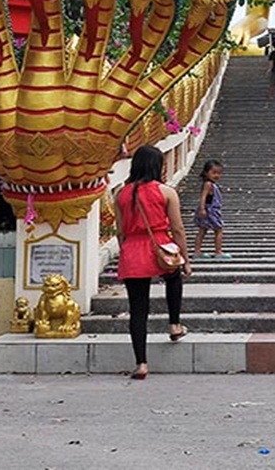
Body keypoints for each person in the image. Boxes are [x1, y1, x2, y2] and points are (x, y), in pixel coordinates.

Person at [115, 145, 191, 380]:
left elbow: (120, 231)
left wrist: (126, 252)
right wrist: (186, 259)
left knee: (138, 309)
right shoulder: (166, 192)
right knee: (173, 277)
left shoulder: (122, 193)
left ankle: (141, 364)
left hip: (133, 249)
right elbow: (177, 228)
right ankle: (175, 324)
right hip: (160, 245)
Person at [193, 159, 229, 258]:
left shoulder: (211, 184)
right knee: (218, 230)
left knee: (203, 230)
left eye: (219, 173)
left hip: (209, 209)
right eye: (213, 173)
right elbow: (203, 197)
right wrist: (202, 208)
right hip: (210, 210)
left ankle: (197, 251)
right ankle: (218, 251)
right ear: (206, 172)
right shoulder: (208, 184)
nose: (216, 175)